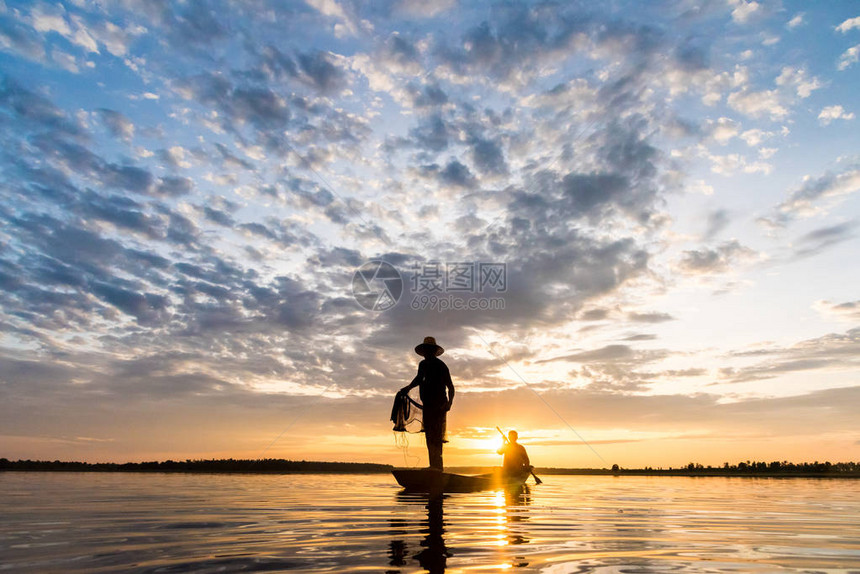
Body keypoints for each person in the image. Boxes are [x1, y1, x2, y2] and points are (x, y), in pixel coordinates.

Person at [399, 336, 455, 470]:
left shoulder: (440, 365)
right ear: (423, 351)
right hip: (428, 405)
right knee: (429, 434)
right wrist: (408, 388)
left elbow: (450, 386)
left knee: (436, 435)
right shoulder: (422, 365)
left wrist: (449, 403)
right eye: (426, 350)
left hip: (439, 404)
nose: (427, 353)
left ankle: (438, 467)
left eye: (430, 350)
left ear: (434, 351)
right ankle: (433, 465)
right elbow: (419, 379)